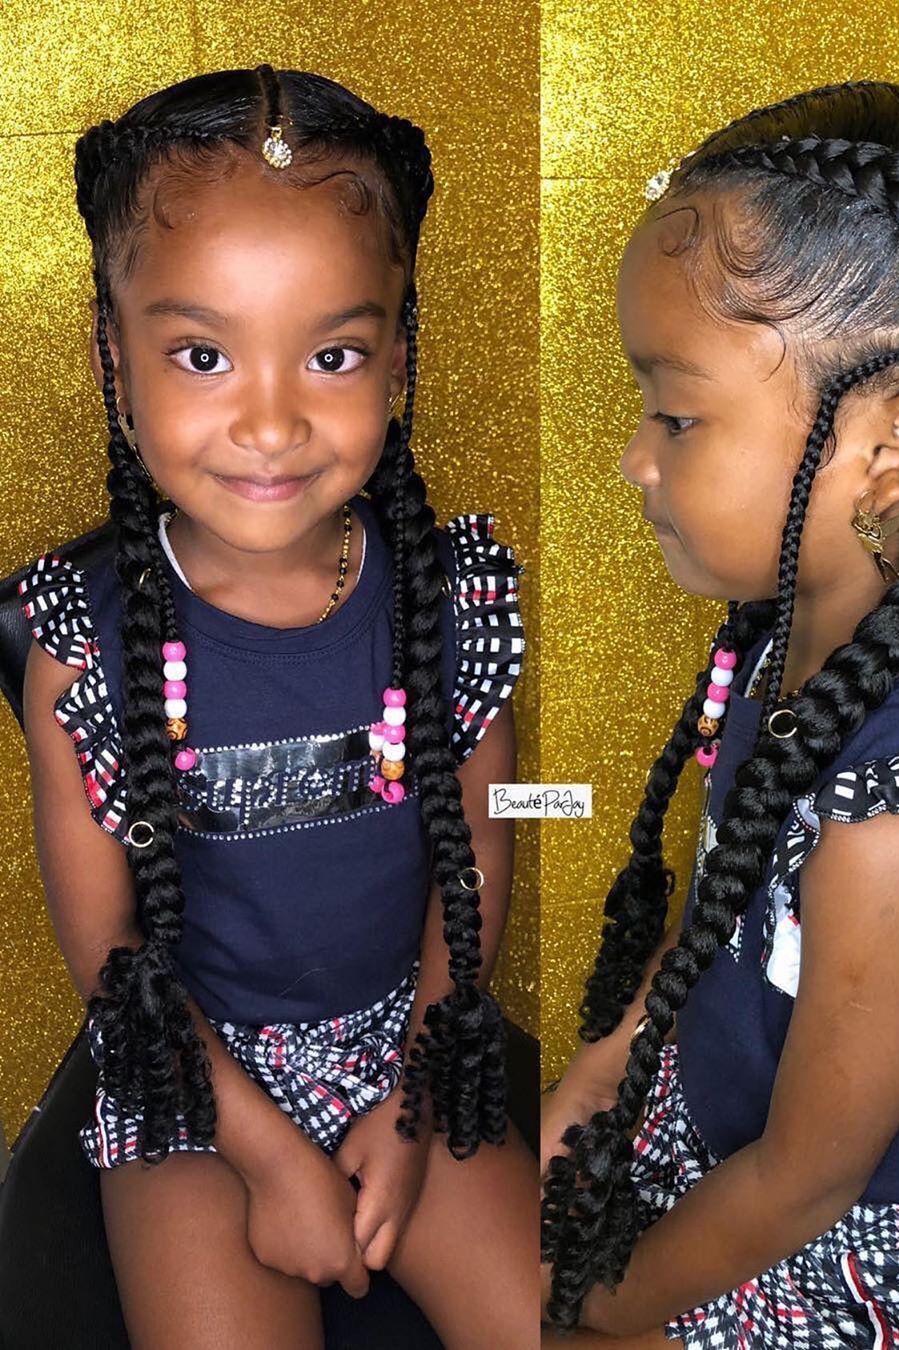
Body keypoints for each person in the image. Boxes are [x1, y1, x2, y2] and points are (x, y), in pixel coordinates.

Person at [539, 79, 899, 1349]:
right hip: (709, 1136)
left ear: (892, 451)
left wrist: (602, 1304)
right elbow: (725, 892)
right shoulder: (785, 645)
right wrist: (613, 1056)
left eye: (676, 414)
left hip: (830, 1265)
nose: (633, 458)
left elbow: (805, 1181)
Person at [17, 63, 533, 1348]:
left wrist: (411, 1106)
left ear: (398, 358)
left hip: (405, 1045)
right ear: (112, 358)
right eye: (203, 354)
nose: (270, 422)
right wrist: (267, 1156)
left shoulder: (451, 604)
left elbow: (485, 833)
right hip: (191, 1079)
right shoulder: (82, 646)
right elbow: (110, 950)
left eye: (332, 354)